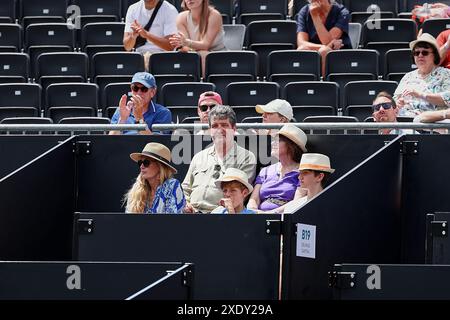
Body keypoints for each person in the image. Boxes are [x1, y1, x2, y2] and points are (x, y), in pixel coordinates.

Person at [182, 105, 257, 213]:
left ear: (234, 129)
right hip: (190, 215)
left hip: (221, 217)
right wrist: (186, 205)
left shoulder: (246, 157)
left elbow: (240, 194)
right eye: (215, 126)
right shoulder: (199, 157)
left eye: (224, 125)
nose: (219, 130)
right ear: (210, 130)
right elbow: (185, 188)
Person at [247, 124, 308, 214]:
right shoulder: (265, 171)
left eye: (278, 140)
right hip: (259, 217)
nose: (272, 143)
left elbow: (297, 202)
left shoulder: (302, 172)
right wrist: (253, 211)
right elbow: (254, 199)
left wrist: (271, 213)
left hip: (284, 219)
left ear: (291, 146)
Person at [393, 33, 450, 117]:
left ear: (434, 55)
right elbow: (394, 101)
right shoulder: (408, 76)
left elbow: (447, 99)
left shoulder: (445, 74)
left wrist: (420, 95)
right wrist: (398, 103)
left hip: (433, 126)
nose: (420, 55)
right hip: (407, 125)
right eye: (416, 53)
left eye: (425, 52)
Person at [169, 0, 226, 76]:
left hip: (218, 56)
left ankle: (205, 85)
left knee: (203, 55)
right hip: (194, 55)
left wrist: (186, 42)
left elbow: (205, 45)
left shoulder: (214, 15)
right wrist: (181, 44)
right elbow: (186, 47)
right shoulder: (181, 17)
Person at [125, 142, 186, 214]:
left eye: (146, 162)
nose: (141, 166)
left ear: (160, 166)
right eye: (140, 162)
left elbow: (171, 221)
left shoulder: (172, 185)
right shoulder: (136, 190)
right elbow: (128, 221)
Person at [296, 0, 351, 76]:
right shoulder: (304, 11)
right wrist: (323, 46)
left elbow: (326, 41)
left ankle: (324, 85)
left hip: (338, 54)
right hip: (316, 50)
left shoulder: (342, 12)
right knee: (302, 50)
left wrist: (315, 16)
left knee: (324, 51)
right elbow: (301, 43)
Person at [123, 0, 179, 70]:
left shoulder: (170, 10)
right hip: (140, 58)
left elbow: (170, 46)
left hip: (162, 58)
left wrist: (146, 35)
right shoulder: (133, 9)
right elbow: (127, 47)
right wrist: (133, 37)